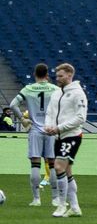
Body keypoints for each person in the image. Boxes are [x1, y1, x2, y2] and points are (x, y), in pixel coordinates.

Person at [47, 61, 87, 218]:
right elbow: (50, 113)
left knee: (58, 167)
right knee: (67, 171)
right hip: (58, 135)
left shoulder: (78, 93)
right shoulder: (57, 93)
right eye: (56, 76)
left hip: (72, 135)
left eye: (61, 76)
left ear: (70, 75)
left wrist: (59, 128)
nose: (58, 78)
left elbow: (80, 117)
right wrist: (48, 126)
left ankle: (62, 205)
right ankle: (75, 207)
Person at [14, 63, 57, 208]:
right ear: (47, 74)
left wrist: (22, 119)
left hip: (35, 130)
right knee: (52, 165)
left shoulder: (28, 89)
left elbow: (13, 105)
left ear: (34, 74)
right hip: (51, 129)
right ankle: (55, 198)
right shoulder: (55, 89)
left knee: (35, 164)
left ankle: (36, 199)